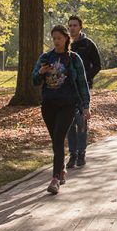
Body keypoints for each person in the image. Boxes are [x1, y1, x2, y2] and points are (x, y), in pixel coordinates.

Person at [32, 25, 91, 195]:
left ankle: (55, 178)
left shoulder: (73, 59)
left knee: (58, 139)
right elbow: (34, 81)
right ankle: (62, 168)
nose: (56, 41)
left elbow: (82, 83)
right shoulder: (45, 57)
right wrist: (41, 73)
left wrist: (86, 106)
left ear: (66, 39)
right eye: (54, 38)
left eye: (59, 38)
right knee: (56, 142)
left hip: (67, 105)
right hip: (49, 105)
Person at [65, 15, 102, 169]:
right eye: (70, 25)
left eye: (75, 25)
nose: (72, 28)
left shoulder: (88, 44)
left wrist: (85, 78)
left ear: (80, 27)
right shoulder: (65, 44)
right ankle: (72, 154)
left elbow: (97, 65)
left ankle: (81, 153)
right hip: (67, 90)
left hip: (83, 89)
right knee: (69, 123)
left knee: (81, 121)